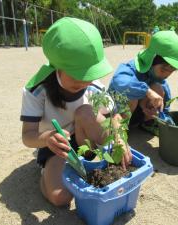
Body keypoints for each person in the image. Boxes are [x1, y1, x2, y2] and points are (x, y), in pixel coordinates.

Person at [20, 17, 132, 207]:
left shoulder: (93, 85)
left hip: (84, 136)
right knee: (60, 197)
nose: (85, 82)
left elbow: (115, 116)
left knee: (85, 111)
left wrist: (120, 138)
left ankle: (97, 159)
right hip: (57, 146)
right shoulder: (37, 90)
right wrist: (48, 138)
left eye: (90, 74)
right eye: (78, 75)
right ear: (57, 66)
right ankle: (45, 174)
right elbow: (28, 136)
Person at [108, 30, 178, 136]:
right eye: (163, 70)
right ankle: (119, 133)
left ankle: (147, 123)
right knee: (132, 96)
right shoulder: (130, 68)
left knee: (158, 89)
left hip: (136, 116)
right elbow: (119, 81)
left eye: (171, 71)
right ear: (152, 59)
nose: (166, 75)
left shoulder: (157, 76)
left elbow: (164, 96)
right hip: (115, 116)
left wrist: (164, 115)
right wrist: (147, 91)